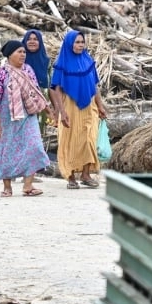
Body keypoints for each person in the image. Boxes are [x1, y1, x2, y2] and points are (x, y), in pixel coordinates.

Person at [0, 40, 51, 197]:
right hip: (7, 119)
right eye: (19, 52)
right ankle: (7, 187)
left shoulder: (28, 70)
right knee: (6, 150)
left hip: (28, 115)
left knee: (34, 146)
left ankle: (28, 186)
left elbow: (35, 91)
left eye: (24, 52)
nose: (23, 55)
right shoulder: (1, 74)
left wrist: (47, 108)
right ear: (10, 55)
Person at [49, 30, 107, 189]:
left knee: (89, 139)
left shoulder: (88, 61)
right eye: (77, 42)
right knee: (70, 140)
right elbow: (57, 89)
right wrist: (61, 112)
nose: (80, 45)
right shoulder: (61, 63)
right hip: (69, 106)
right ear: (69, 44)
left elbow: (94, 85)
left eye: (82, 42)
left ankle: (86, 174)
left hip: (89, 106)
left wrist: (100, 106)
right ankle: (70, 177)